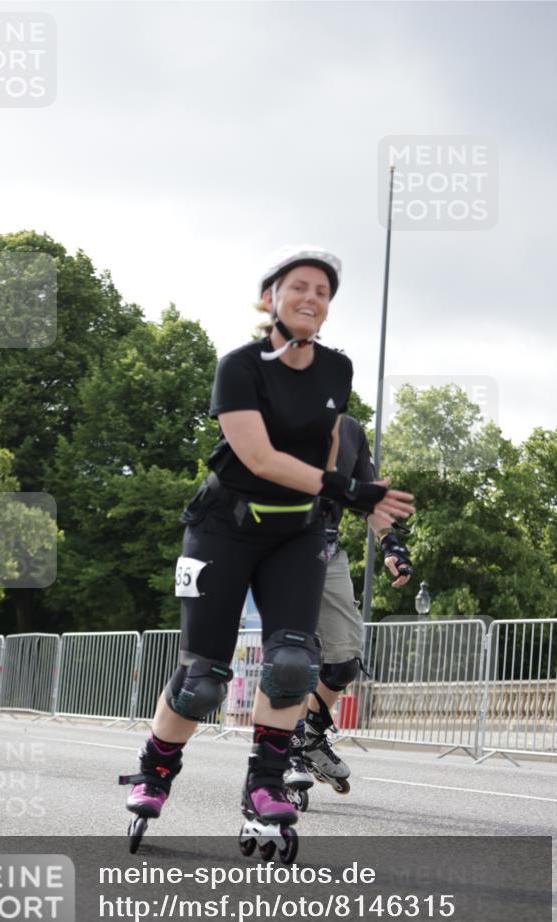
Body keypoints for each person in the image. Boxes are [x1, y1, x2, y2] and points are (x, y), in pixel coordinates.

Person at [120, 245, 415, 859]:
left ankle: (264, 786)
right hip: (223, 528)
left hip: (297, 533)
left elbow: (331, 454)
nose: (312, 298)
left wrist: (366, 505)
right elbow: (260, 459)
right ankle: (156, 768)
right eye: (299, 287)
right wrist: (351, 490)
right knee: (203, 680)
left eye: (323, 293)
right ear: (269, 299)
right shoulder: (239, 367)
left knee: (290, 665)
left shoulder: (337, 369)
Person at [284, 414, 413, 806]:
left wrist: (391, 545)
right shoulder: (280, 417)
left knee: (344, 662)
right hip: (281, 546)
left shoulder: (352, 432)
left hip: (328, 550)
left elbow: (370, 497)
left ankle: (311, 737)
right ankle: (284, 747)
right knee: (293, 654)